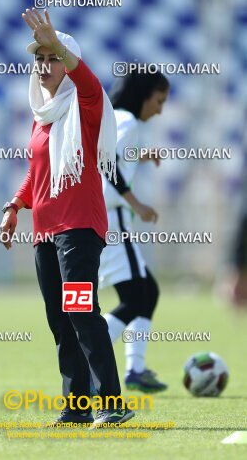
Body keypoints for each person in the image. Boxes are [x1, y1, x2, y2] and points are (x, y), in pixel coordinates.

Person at [0, 8, 135, 427]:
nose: (43, 65)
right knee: (60, 320)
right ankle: (75, 409)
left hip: (79, 228)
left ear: (67, 61)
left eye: (52, 57)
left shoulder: (86, 104)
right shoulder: (42, 117)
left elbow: (90, 82)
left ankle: (110, 403)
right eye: (39, 58)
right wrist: (15, 206)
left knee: (80, 311)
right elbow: (37, 172)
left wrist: (61, 47)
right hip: (45, 233)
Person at [98, 67, 170, 393]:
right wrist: (136, 202)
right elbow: (106, 165)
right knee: (135, 297)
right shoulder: (126, 121)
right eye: (159, 100)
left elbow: (104, 158)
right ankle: (88, 360)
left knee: (147, 293)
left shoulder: (115, 119)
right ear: (143, 95)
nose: (160, 109)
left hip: (107, 221)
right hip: (113, 222)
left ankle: (135, 369)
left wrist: (139, 156)